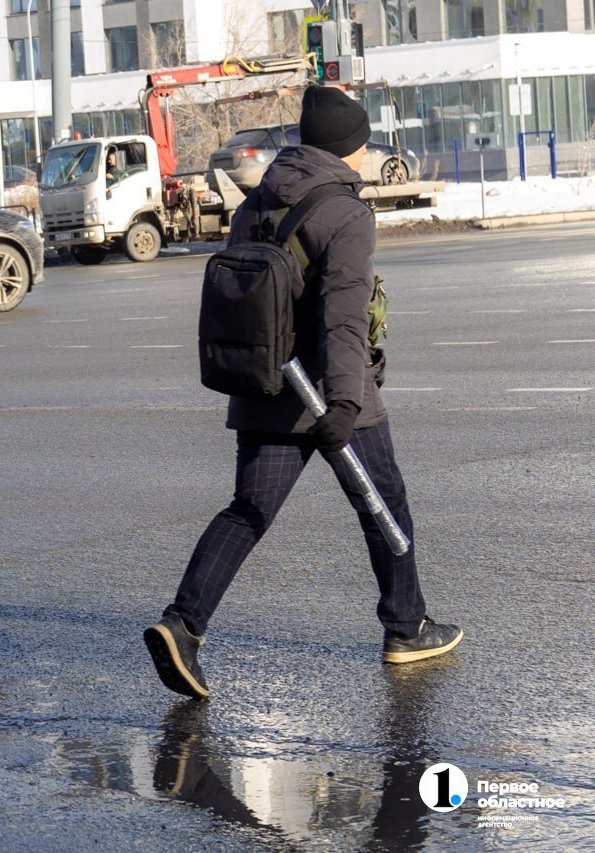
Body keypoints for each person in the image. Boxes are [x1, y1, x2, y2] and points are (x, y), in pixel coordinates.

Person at [143, 86, 462, 700]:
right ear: (351, 147)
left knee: (248, 510)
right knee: (385, 503)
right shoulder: (346, 213)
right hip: (331, 392)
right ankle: (407, 627)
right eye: (365, 145)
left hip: (265, 383)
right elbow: (344, 316)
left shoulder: (256, 200)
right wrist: (345, 402)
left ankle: (182, 625)